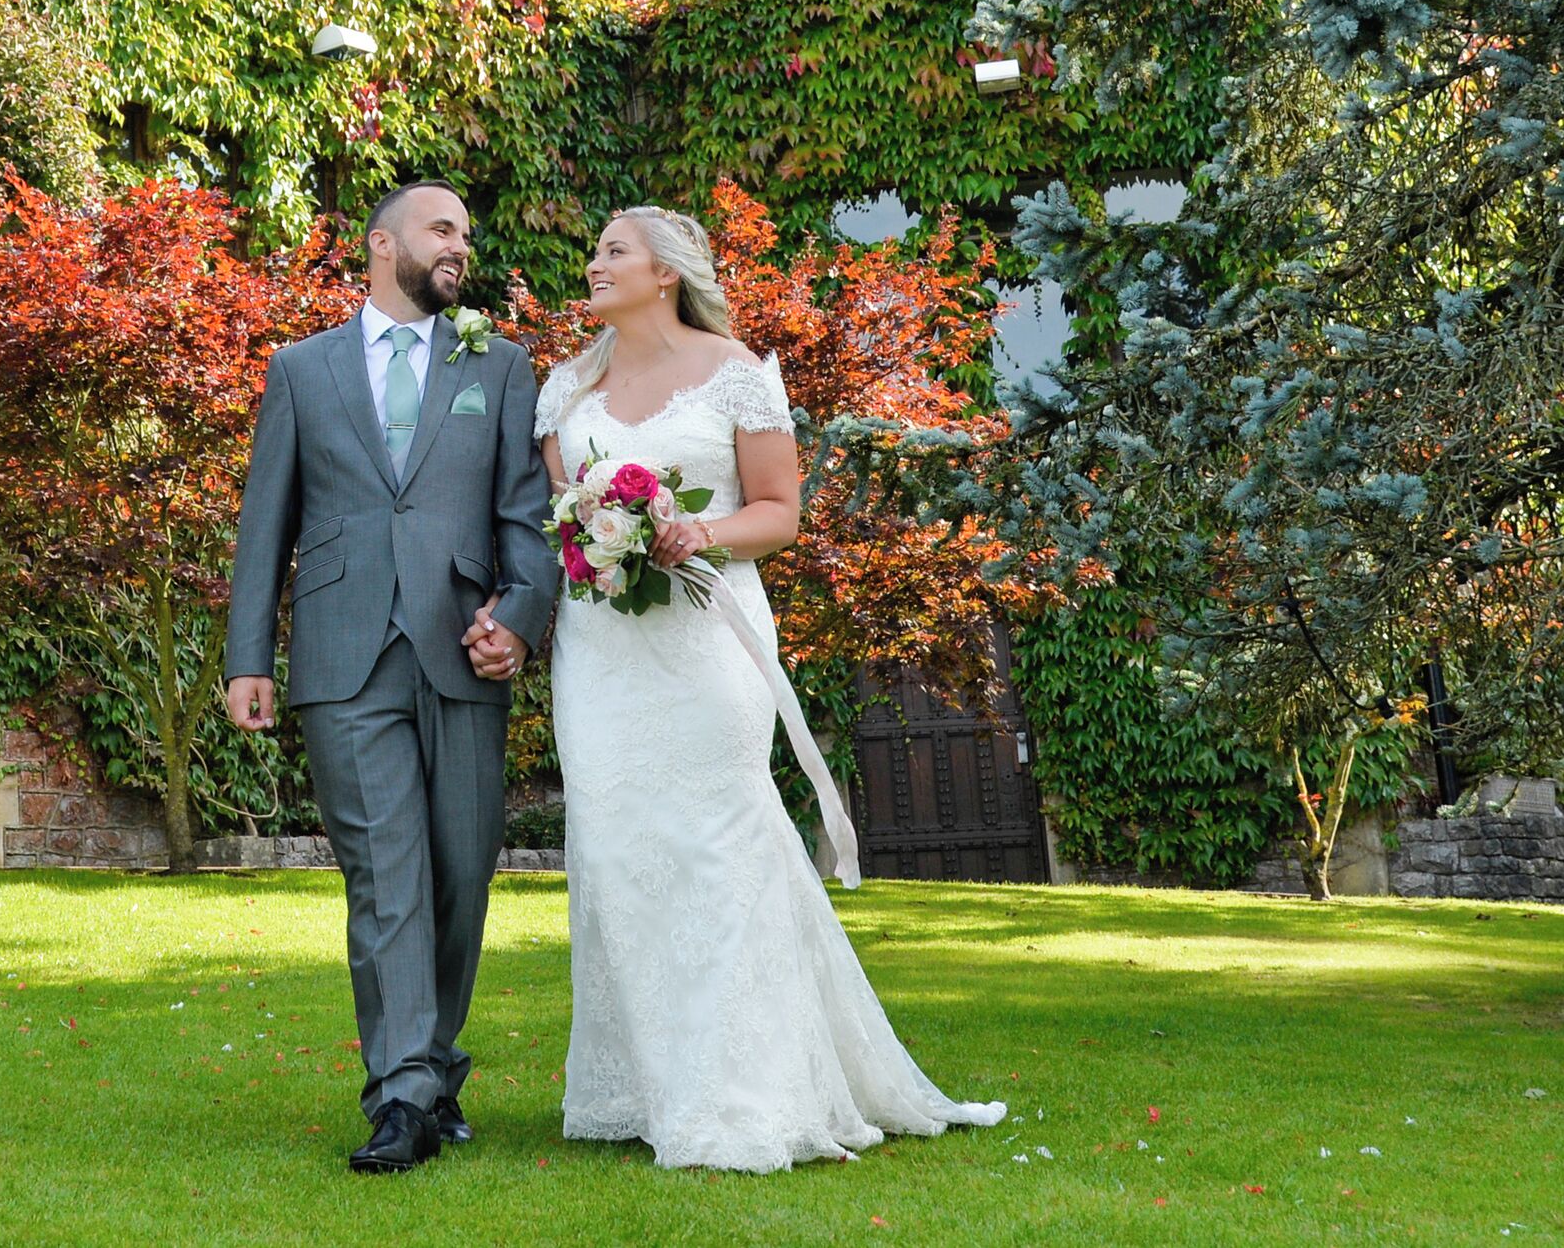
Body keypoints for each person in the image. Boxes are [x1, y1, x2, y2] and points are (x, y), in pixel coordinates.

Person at [539, 203, 1007, 1172]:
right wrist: (597, 538)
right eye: (596, 252)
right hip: (601, 654)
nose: (595, 265)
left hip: (710, 643)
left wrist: (695, 534)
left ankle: (743, 1094)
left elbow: (780, 512)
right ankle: (640, 1088)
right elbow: (563, 519)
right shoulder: (565, 387)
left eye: (612, 252)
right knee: (615, 855)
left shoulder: (739, 376)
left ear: (664, 272)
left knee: (717, 847)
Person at [224, 179, 554, 1175]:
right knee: (388, 878)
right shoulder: (302, 370)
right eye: (442, 229)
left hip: (462, 649)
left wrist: (522, 620)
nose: (461, 245)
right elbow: (264, 524)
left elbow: (526, 519)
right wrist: (251, 657)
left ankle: (434, 1068)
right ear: (382, 245)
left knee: (460, 874)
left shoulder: (496, 367)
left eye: (466, 233)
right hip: (342, 651)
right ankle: (402, 1097)